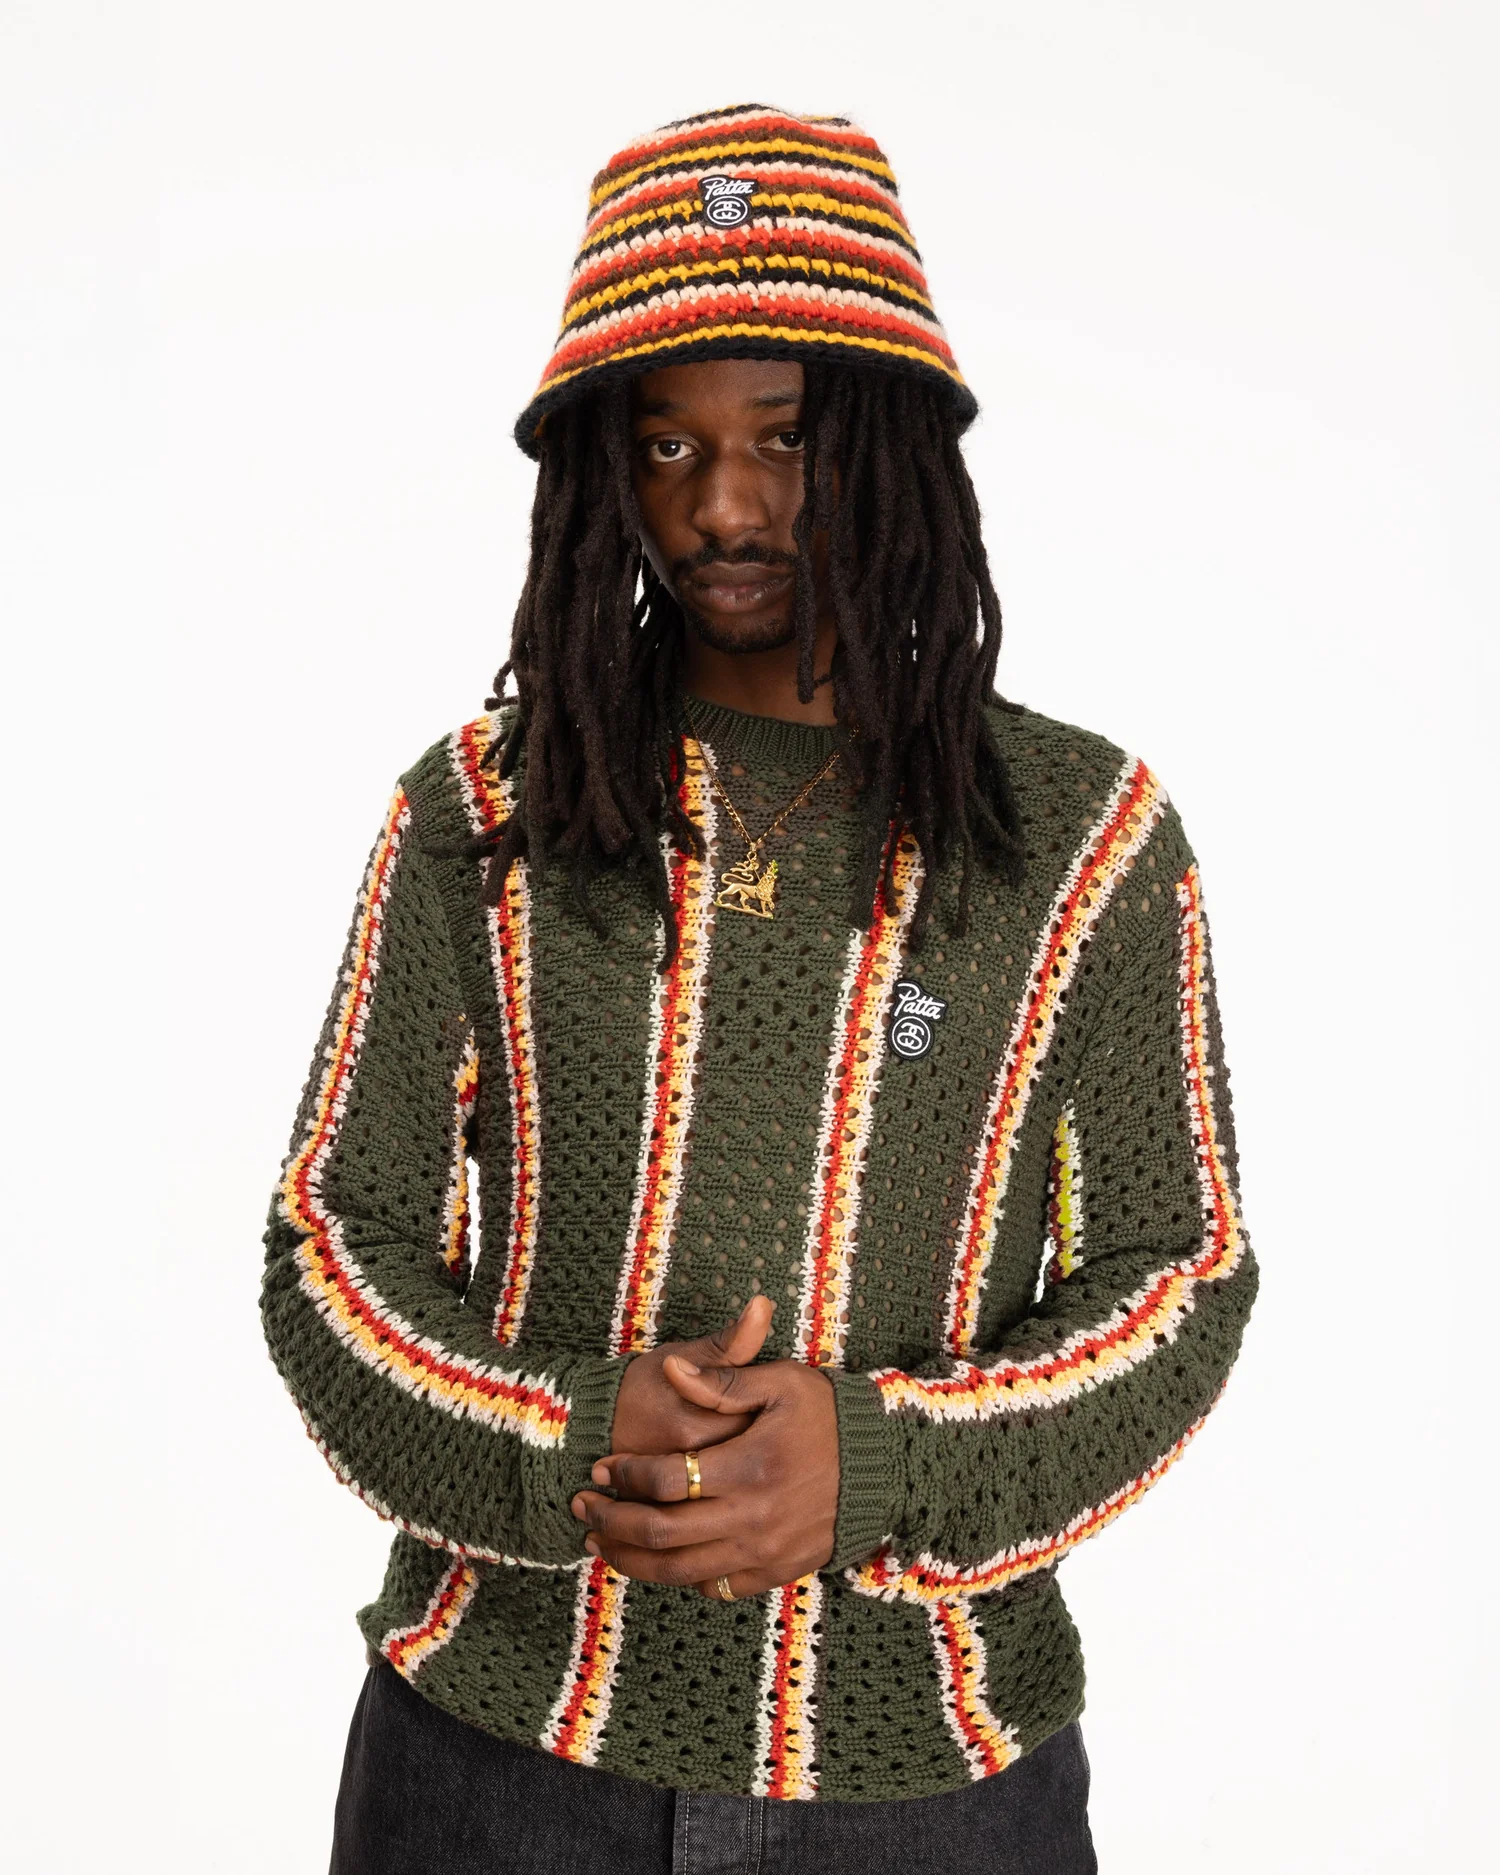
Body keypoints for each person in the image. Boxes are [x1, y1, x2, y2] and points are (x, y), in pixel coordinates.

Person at [261, 102, 1258, 1874]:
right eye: (664, 445)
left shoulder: (1084, 836)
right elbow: (334, 1247)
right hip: (496, 1764)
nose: (721, 504)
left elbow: (1177, 1278)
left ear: (887, 439)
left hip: (936, 1788)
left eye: (785, 438)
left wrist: (878, 1465)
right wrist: (571, 1437)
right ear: (599, 472)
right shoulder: (483, 813)